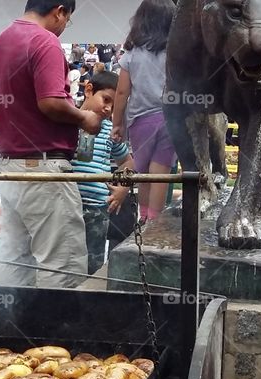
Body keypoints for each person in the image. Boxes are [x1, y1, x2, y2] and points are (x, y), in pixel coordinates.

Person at [0, 0, 102, 288]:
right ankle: (52, 333)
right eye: (68, 19)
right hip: (43, 171)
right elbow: (50, 102)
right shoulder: (44, 41)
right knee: (62, 264)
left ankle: (10, 330)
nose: (64, 27)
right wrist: (84, 118)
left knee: (16, 261)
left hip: (9, 168)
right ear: (60, 11)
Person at [111, 0, 178, 234]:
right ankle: (155, 220)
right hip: (170, 119)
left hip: (140, 120)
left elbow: (121, 92)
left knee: (144, 172)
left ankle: (143, 216)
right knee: (160, 172)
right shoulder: (174, 52)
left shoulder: (131, 54)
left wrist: (117, 123)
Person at [71, 71, 131, 275]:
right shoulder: (69, 122)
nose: (108, 109)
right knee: (67, 259)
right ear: (88, 90)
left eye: (114, 106)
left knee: (92, 262)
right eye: (105, 100)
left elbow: (127, 161)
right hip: (69, 203)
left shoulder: (109, 130)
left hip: (98, 207)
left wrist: (123, 188)